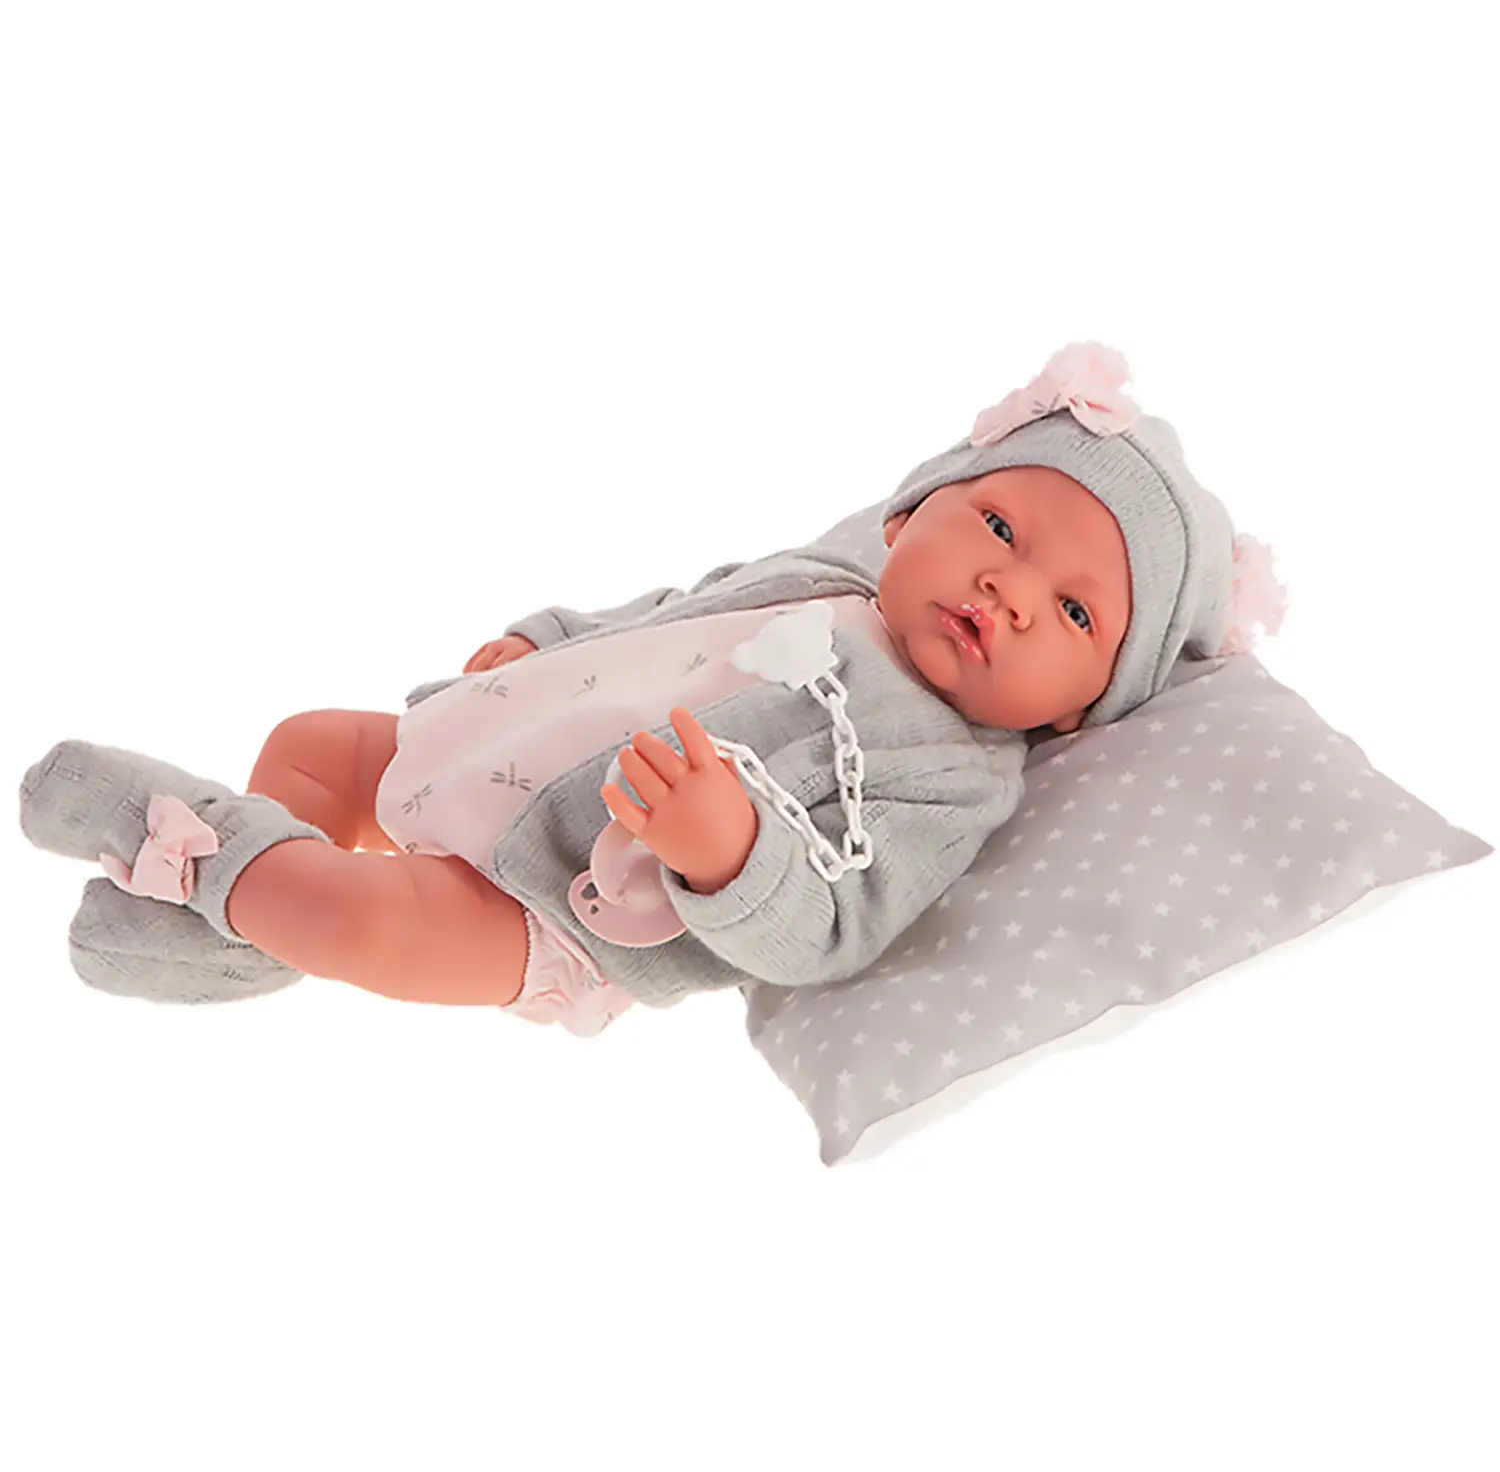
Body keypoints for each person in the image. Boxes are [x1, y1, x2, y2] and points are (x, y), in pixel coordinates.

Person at [19, 342, 1286, 1033]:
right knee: (313, 745)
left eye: (1074, 612)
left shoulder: (951, 774)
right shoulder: (828, 576)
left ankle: (199, 854)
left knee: (372, 922)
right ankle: (243, 934)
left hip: (555, 904)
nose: (1010, 590)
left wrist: (730, 852)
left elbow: (835, 930)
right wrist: (544, 636)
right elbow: (669, 611)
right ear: (911, 517)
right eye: (1001, 528)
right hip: (498, 744)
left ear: (1076, 711)